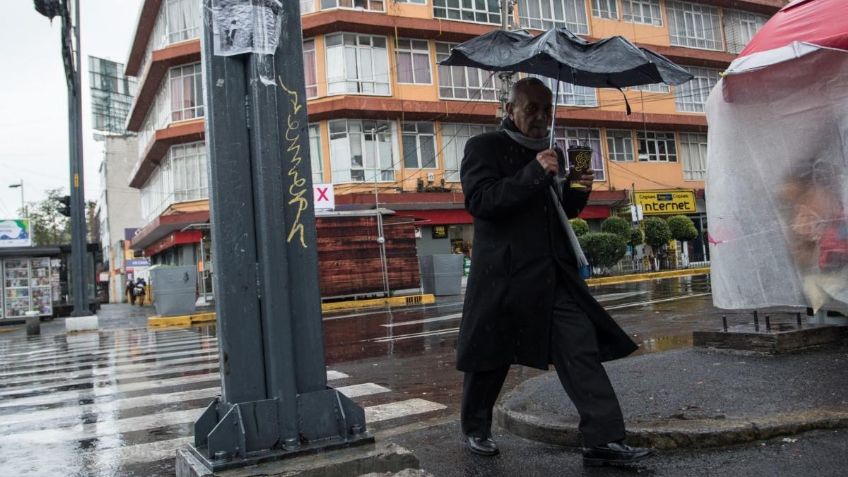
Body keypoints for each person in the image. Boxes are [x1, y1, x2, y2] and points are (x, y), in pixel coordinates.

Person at [458, 77, 653, 466]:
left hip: (552, 274)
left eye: (547, 109)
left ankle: (603, 439)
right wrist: (533, 171)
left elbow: (564, 209)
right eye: (532, 108)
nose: (541, 117)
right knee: (491, 357)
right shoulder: (484, 147)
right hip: (504, 275)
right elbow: (482, 201)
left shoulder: (553, 153)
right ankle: (475, 427)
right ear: (510, 110)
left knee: (579, 349)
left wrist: (579, 184)